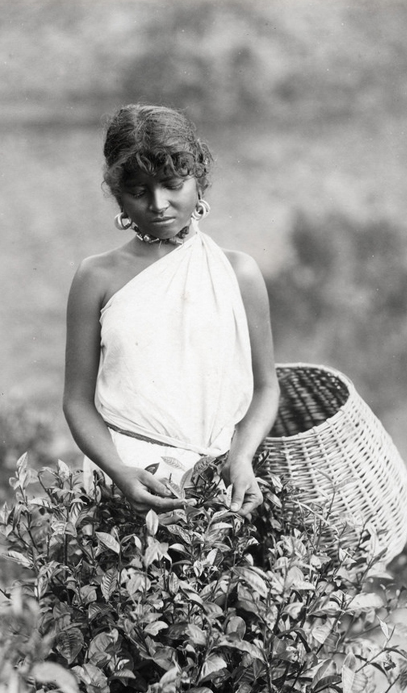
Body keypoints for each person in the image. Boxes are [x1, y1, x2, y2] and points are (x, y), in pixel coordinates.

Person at [63, 104, 279, 517]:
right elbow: (76, 401)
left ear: (198, 181)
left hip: (215, 489)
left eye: (171, 184)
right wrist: (118, 471)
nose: (158, 204)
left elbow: (266, 388)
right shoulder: (96, 277)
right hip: (120, 489)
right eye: (139, 191)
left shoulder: (238, 274)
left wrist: (241, 458)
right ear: (118, 194)